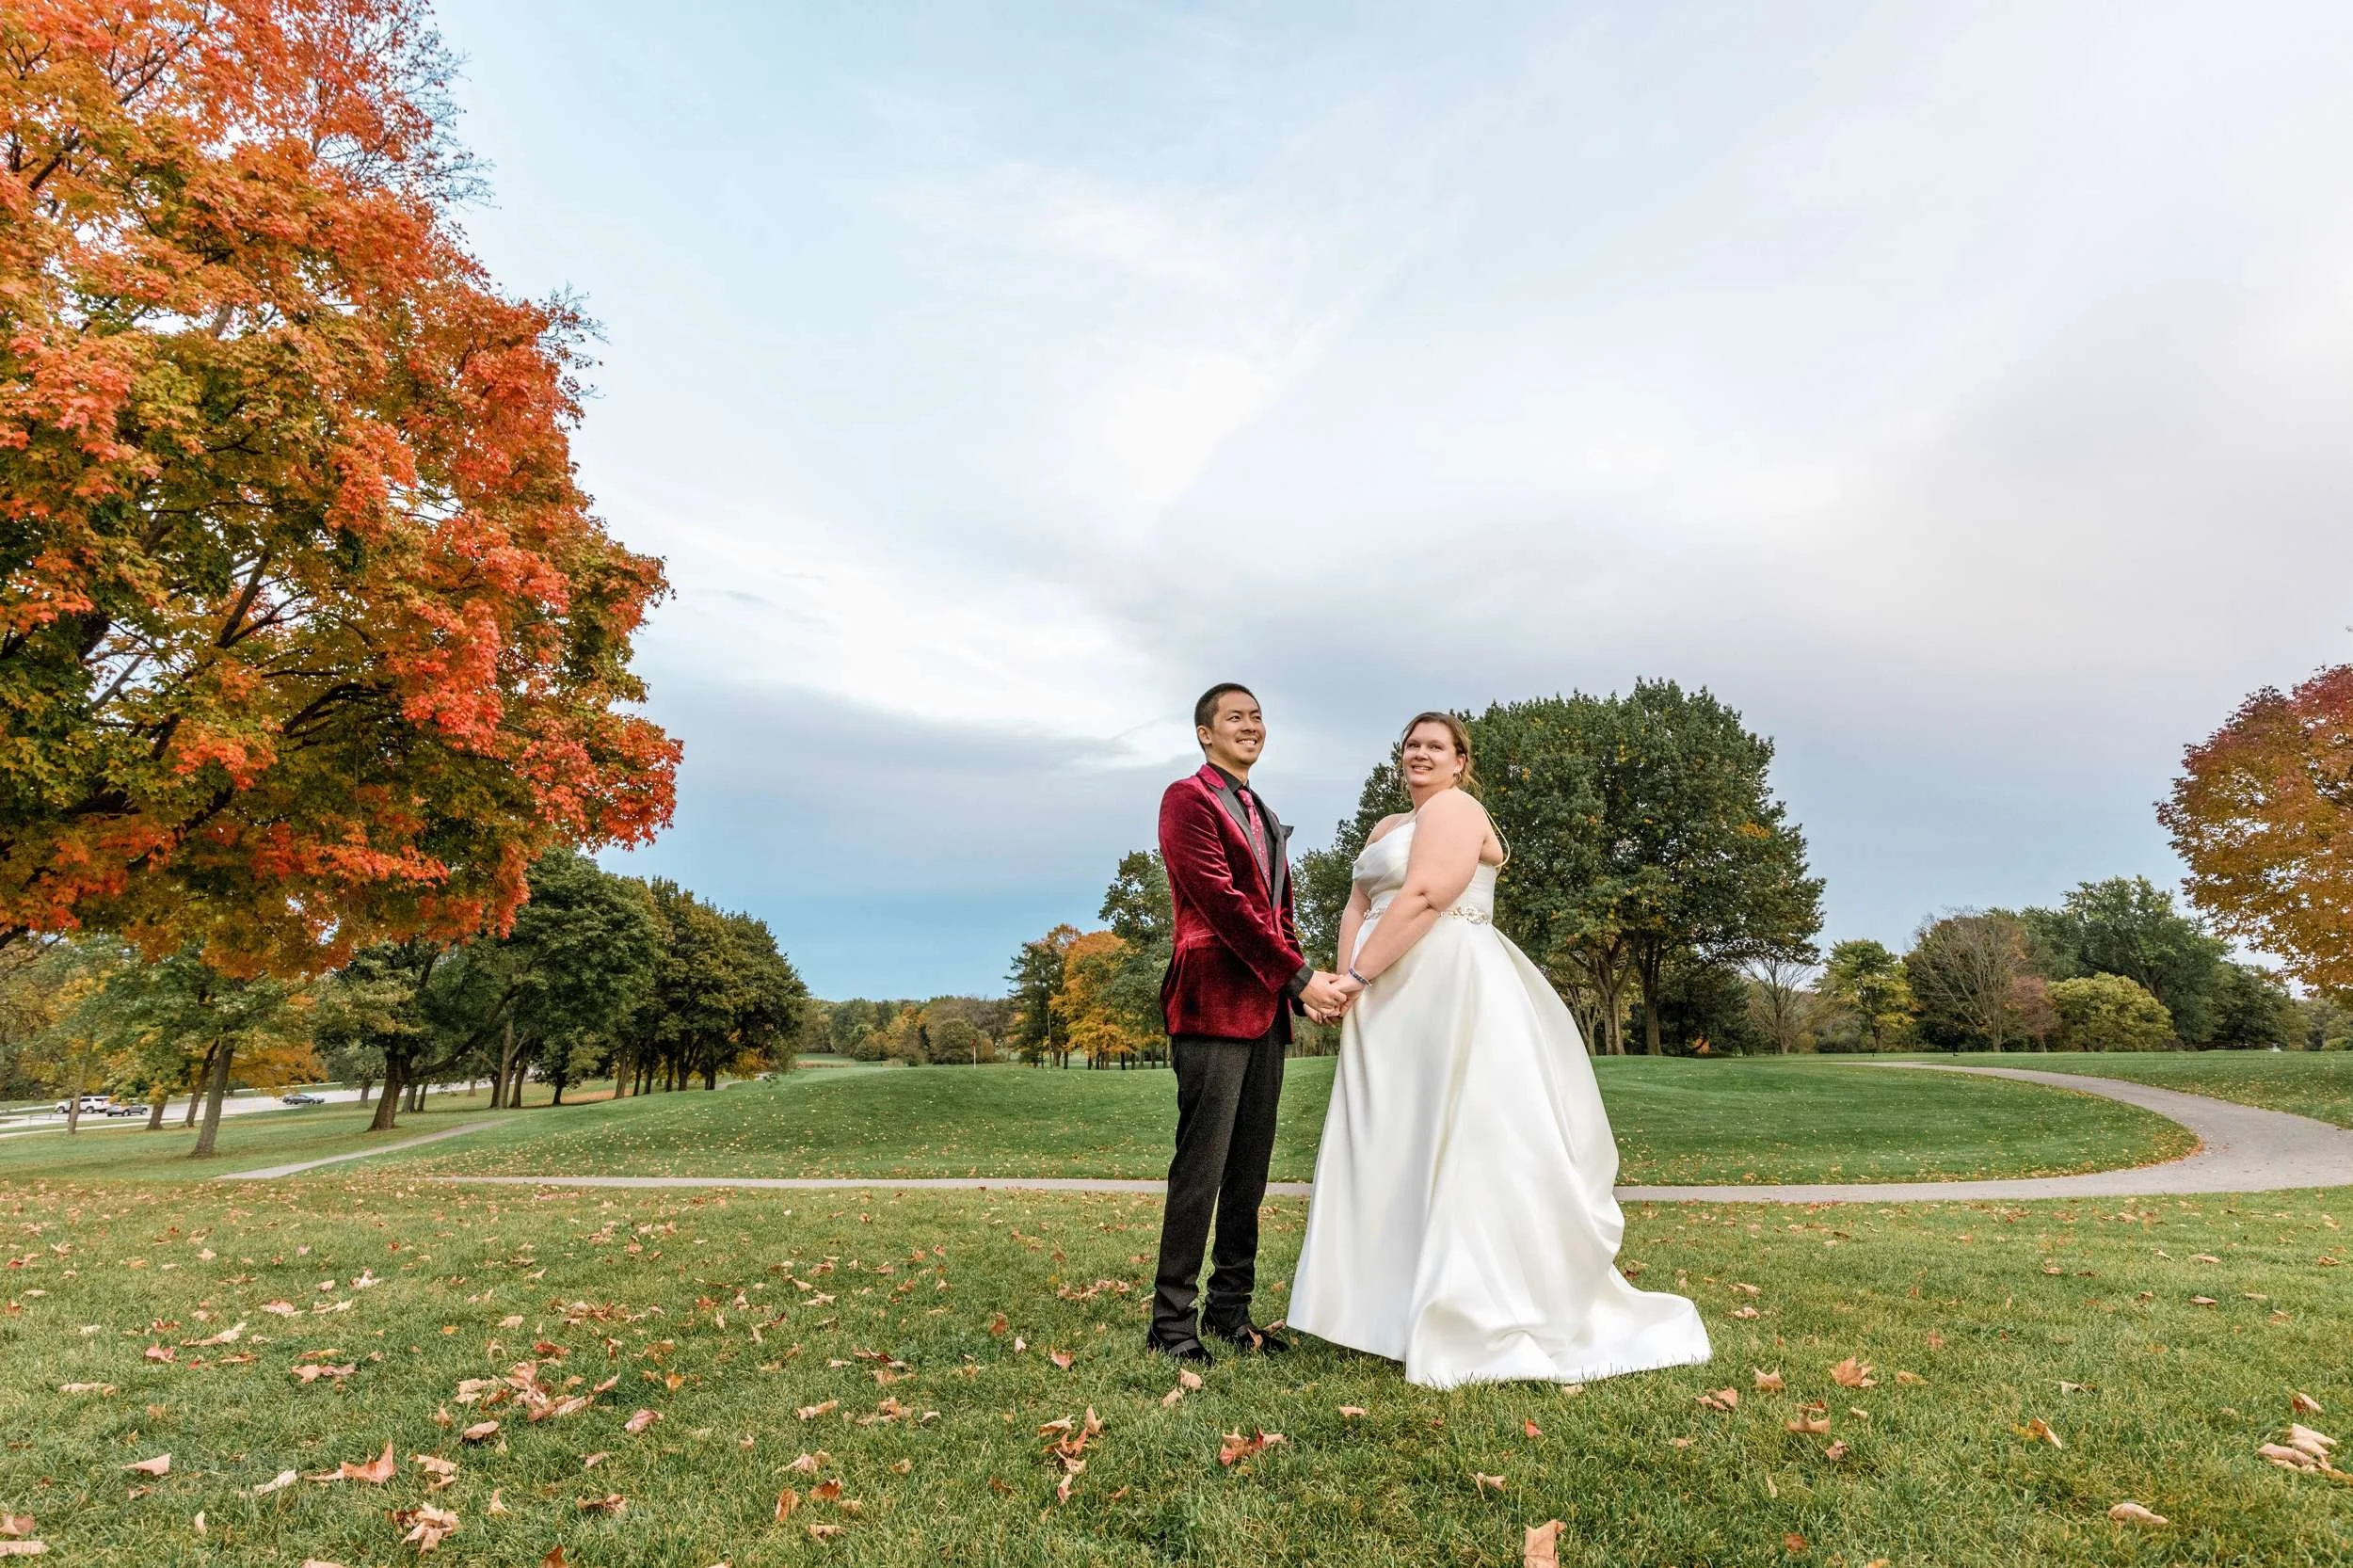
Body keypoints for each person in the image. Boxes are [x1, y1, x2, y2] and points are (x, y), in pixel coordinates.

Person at [1288, 712, 1713, 1388]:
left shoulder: (1458, 808)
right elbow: (1357, 904)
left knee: (1465, 1137)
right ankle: (1381, 1310)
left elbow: (1428, 895)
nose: (1420, 753)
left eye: (1436, 746)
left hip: (1446, 983)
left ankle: (1469, 1305)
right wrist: (1343, 984)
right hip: (1385, 998)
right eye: (1411, 745)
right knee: (1394, 1138)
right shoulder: (1385, 829)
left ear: (1461, 762)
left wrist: (1360, 975)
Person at [1147, 683, 1352, 1365]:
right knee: (1201, 1168)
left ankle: (1230, 1313)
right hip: (1210, 1003)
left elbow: (1277, 917)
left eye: (1258, 716)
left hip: (1265, 1011)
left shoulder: (1264, 811)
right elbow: (1223, 905)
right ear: (1205, 734)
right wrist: (1297, 976)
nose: (1251, 725)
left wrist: (1303, 992)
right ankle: (1170, 1323)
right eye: (1235, 717)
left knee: (1249, 1173)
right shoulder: (1187, 800)